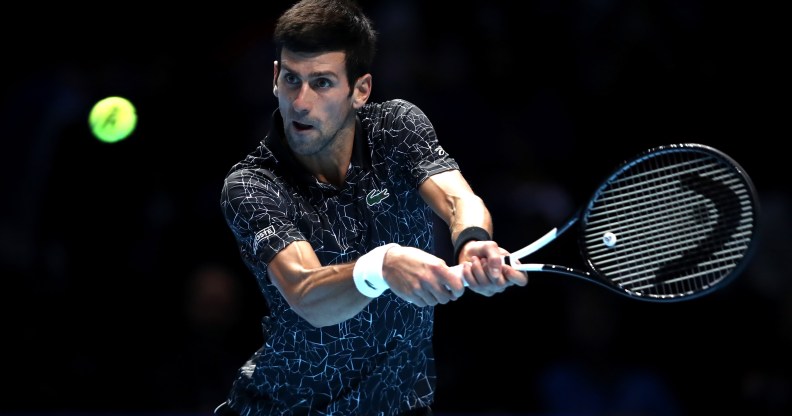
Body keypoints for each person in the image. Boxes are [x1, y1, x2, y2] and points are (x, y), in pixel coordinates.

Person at [215, 0, 528, 414]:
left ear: (360, 90)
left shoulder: (395, 129)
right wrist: (381, 266)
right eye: (291, 79)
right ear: (275, 77)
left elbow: (458, 199)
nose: (300, 102)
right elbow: (306, 293)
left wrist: (473, 241)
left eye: (322, 83)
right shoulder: (253, 185)